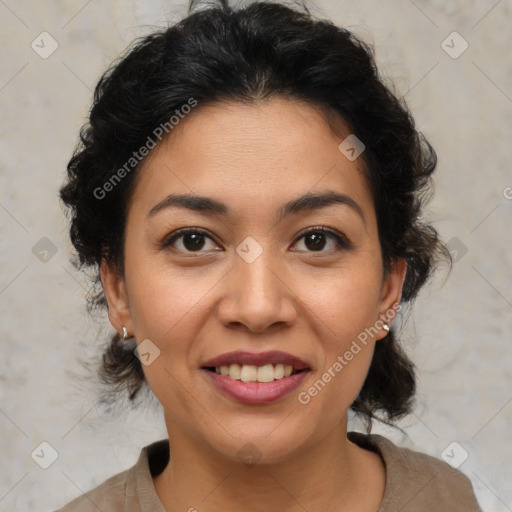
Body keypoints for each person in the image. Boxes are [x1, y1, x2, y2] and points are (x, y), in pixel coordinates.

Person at [56, 0, 483, 510]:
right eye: (193, 240)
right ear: (118, 288)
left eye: (317, 239)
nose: (257, 308)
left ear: (388, 287)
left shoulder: (449, 500)